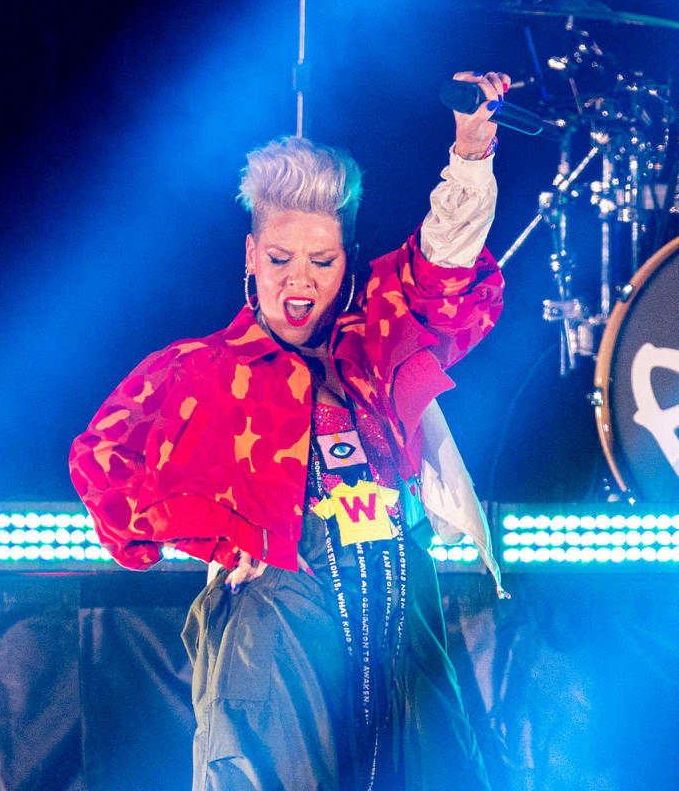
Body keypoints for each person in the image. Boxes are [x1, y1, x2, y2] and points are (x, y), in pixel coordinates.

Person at [69, 69, 511, 791]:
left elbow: (442, 267)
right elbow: (101, 459)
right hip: (281, 629)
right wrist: (212, 533)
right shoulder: (200, 369)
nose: (299, 281)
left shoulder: (372, 343)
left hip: (402, 618)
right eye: (279, 259)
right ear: (250, 256)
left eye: (322, 260)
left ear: (347, 261)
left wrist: (470, 148)